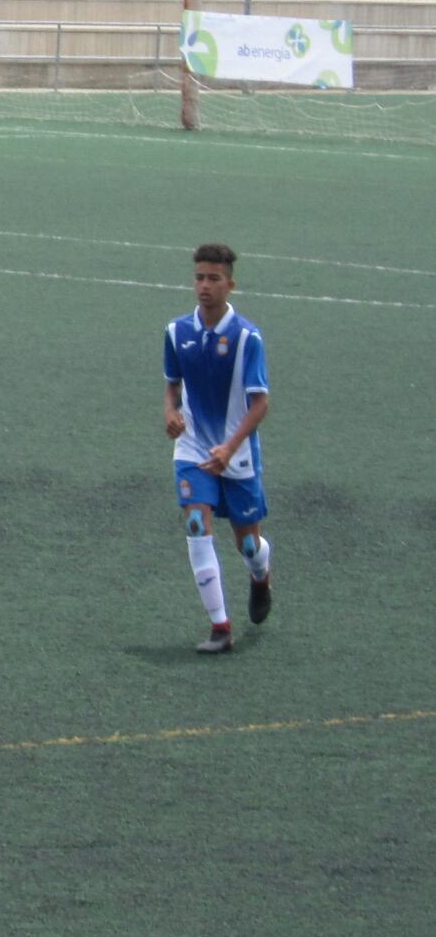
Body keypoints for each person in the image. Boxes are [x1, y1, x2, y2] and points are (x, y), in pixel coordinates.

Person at [165, 243, 274, 656]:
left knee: (248, 545)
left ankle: (261, 576)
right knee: (196, 525)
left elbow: (260, 402)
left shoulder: (247, 337)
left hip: (236, 451)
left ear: (231, 284)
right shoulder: (177, 332)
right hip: (193, 448)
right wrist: (170, 413)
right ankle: (220, 627)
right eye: (198, 278)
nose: (204, 286)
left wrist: (230, 447)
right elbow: (171, 384)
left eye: (213, 278)